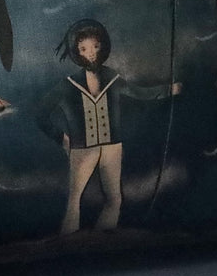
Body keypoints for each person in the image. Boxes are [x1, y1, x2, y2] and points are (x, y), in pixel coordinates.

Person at [42, 18, 180, 235]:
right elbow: (41, 113)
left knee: (114, 198)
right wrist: (61, 137)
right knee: (74, 200)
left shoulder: (113, 79)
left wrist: (169, 90)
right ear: (76, 52)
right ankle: (68, 243)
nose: (91, 53)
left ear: (103, 46)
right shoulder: (67, 86)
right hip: (82, 149)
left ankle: (102, 240)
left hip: (112, 147)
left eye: (95, 46)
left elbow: (139, 92)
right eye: (84, 49)